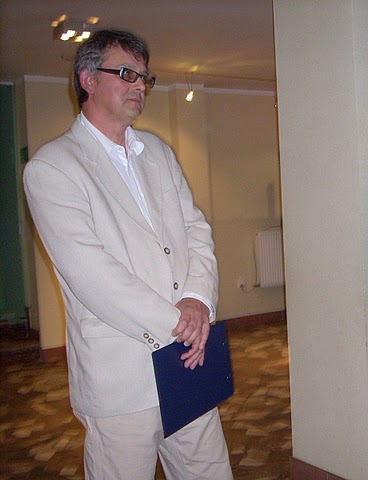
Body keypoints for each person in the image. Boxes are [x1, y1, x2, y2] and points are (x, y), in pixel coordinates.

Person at [23, 30, 233, 479]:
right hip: (122, 375)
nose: (140, 85)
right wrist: (180, 324)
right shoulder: (53, 167)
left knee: (209, 472)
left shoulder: (158, 152)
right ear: (87, 80)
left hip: (188, 361)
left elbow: (195, 230)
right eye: (126, 73)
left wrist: (198, 300)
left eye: (144, 76)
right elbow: (91, 273)